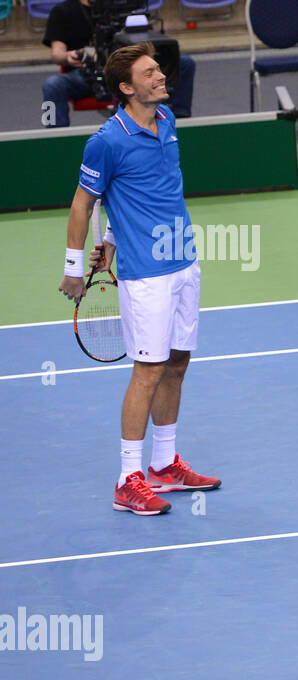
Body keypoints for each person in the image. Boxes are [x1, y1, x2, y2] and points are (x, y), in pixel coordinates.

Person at [59, 42, 219, 516]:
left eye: (159, 70)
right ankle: (127, 480)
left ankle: (164, 465)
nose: (161, 77)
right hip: (146, 276)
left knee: (177, 363)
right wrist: (73, 269)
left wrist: (107, 238)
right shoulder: (106, 141)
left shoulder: (168, 123)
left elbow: (146, 194)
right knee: (148, 370)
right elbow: (82, 203)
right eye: (150, 73)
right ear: (127, 88)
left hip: (184, 261)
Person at [41, 0, 196, 128]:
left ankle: (180, 122)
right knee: (52, 85)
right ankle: (53, 134)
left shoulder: (127, 5)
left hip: (133, 73)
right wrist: (69, 56)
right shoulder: (62, 11)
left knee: (185, 64)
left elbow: (147, 39)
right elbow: (57, 53)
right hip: (92, 74)